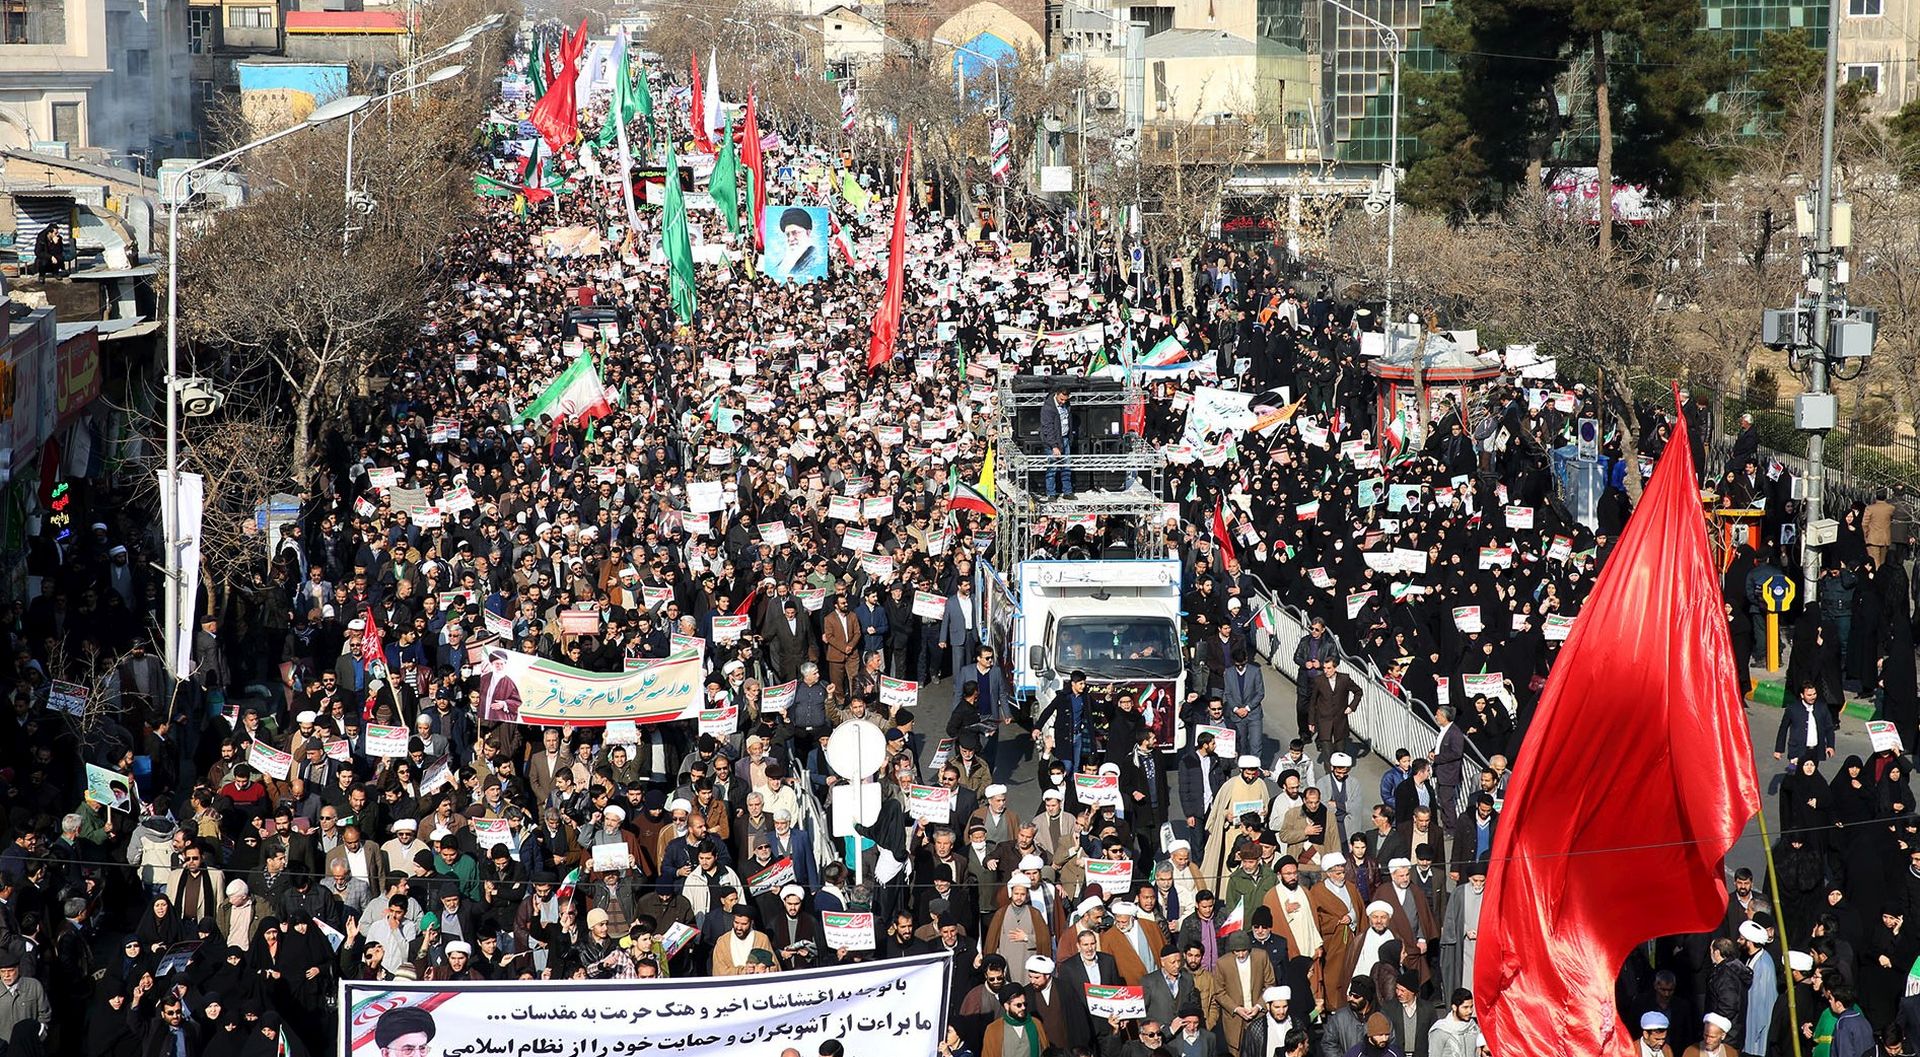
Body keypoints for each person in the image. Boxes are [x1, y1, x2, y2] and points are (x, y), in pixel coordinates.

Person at [1039, 386, 1075, 500]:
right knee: (1052, 468)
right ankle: (1051, 493)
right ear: (1056, 394)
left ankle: (1067, 491)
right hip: (1052, 442)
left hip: (1065, 439)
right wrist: (1054, 446)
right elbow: (1047, 429)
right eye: (1061, 399)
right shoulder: (1048, 408)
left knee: (1066, 467)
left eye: (1065, 400)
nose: (1063, 402)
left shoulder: (1067, 405)